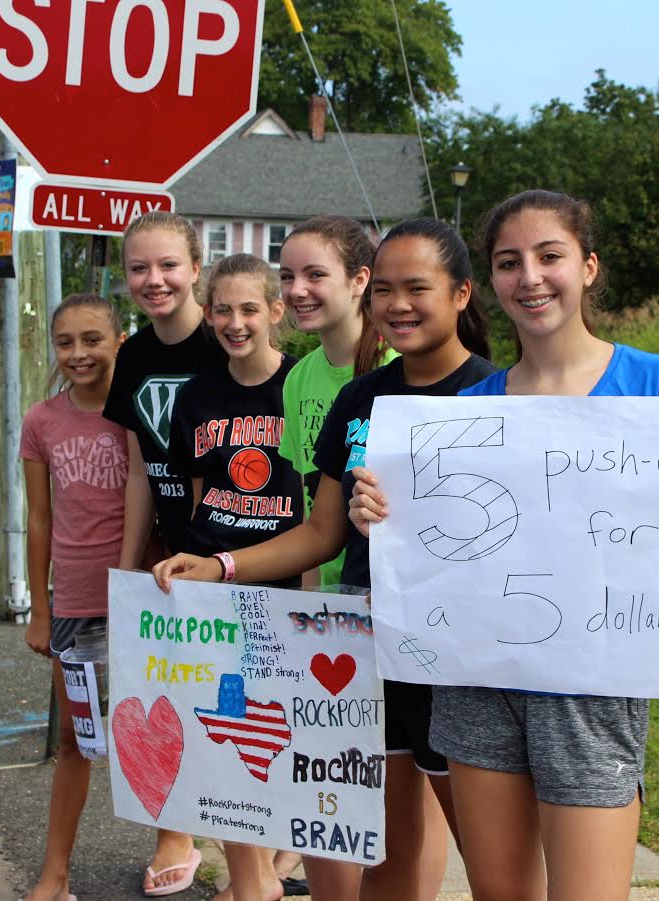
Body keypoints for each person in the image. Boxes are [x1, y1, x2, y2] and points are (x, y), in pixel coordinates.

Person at [348, 189, 659, 901]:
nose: (529, 277)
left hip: (592, 688)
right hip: (477, 683)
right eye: (508, 261)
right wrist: (381, 515)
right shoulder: (468, 411)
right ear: (489, 283)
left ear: (588, 267)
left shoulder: (656, 385)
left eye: (549, 255)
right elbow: (436, 544)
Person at [151, 217, 497, 901]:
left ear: (460, 294)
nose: (397, 304)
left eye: (417, 288)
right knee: (387, 852)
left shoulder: (499, 394)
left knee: (495, 866)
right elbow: (320, 534)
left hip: (466, 662)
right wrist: (219, 566)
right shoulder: (357, 398)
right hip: (371, 651)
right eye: (387, 290)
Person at [165, 251, 302, 901]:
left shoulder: (301, 388)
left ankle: (283, 858)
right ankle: (249, 879)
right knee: (222, 732)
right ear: (208, 313)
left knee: (288, 731)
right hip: (215, 583)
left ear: (276, 311)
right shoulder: (195, 397)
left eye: (250, 308)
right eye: (222, 309)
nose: (235, 321)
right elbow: (199, 497)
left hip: (285, 582)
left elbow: (316, 501)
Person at [102, 210, 226, 896]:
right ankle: (174, 831)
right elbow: (137, 470)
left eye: (169, 265)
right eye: (140, 268)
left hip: (237, 551)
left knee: (237, 701)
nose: (155, 280)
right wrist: (125, 568)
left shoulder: (226, 338)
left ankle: (259, 845)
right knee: (168, 692)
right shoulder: (135, 356)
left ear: (195, 267)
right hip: (168, 552)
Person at [20, 294, 128, 901]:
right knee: (77, 738)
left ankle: (176, 842)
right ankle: (54, 875)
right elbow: (40, 519)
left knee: (166, 728)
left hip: (141, 602)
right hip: (75, 605)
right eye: (66, 342)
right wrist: (41, 607)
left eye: (92, 339)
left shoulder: (137, 412)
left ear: (118, 341)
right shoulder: (43, 422)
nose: (79, 353)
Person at [277, 215, 395, 591]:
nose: (297, 290)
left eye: (315, 275)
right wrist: (311, 596)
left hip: (391, 593)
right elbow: (307, 506)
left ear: (360, 280)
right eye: (286, 276)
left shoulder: (397, 369)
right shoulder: (297, 378)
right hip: (332, 595)